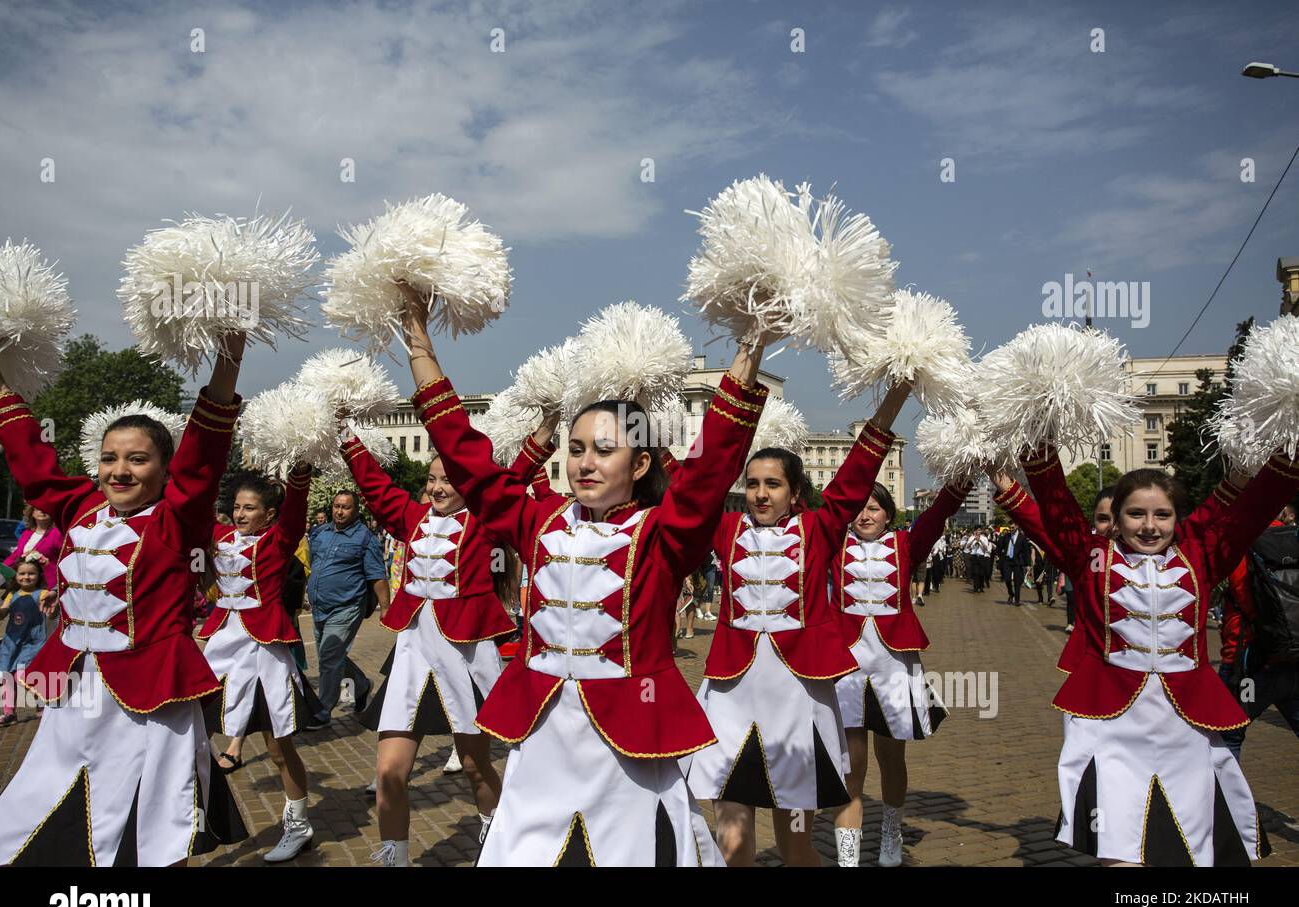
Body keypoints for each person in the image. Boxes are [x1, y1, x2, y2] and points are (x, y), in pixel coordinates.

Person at [403, 283, 770, 866]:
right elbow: (468, 458)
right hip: (541, 735)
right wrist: (419, 341)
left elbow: (707, 471)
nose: (585, 463)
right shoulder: (536, 518)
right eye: (576, 450)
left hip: (631, 738)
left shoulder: (662, 533)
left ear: (641, 462)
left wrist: (751, 345)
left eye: (603, 450)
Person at [0, 333, 249, 865]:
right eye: (110, 458)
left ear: (163, 468)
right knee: (38, 804)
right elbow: (32, 461)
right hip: (76, 691)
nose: (120, 471)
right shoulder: (79, 507)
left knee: (158, 821)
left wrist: (228, 352)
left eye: (137, 460)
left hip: (151, 696)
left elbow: (204, 459)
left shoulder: (175, 520)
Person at [1023, 442, 1299, 866]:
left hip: (1186, 721)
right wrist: (1037, 434)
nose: (1149, 526)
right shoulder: (1092, 556)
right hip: (1109, 720)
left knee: (1193, 844)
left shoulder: (1201, 556)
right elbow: (1053, 500)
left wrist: (1287, 446)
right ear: (1115, 520)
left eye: (1162, 515)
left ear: (1177, 519)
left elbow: (1255, 509)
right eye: (1136, 514)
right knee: (1118, 847)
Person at [685, 382, 911, 867]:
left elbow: (856, 474)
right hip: (732, 695)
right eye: (752, 484)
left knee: (794, 845)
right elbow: (689, 484)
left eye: (773, 484)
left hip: (798, 701)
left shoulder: (819, 528)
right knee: (734, 843)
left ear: (795, 492)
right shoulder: (724, 530)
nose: (761, 494)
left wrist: (892, 400)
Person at [346, 419, 558, 866]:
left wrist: (543, 432)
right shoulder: (411, 517)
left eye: (449, 479)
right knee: (388, 772)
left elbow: (513, 477)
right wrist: (345, 434)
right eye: (432, 479)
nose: (438, 488)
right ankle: (394, 859)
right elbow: (374, 485)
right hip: (411, 655)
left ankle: (494, 829)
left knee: (477, 768)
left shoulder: (483, 521)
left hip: (464, 656)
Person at [830, 480, 971, 866]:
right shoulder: (834, 545)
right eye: (859, 508)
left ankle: (891, 831)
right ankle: (848, 853)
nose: (865, 515)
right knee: (851, 764)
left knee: (892, 758)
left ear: (888, 514)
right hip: (846, 666)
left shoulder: (906, 544)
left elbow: (938, 513)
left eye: (874, 508)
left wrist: (963, 476)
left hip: (894, 664)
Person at [200, 468, 320, 862]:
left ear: (269, 514)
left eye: (249, 508)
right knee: (187, 731)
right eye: (236, 507)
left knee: (279, 747)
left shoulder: (279, 540)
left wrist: (299, 474)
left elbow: (296, 513)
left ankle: (298, 825)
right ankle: (190, 816)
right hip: (221, 648)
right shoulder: (220, 539)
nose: (239, 514)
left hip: (265, 651)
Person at [1218, 499, 1299, 758]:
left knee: (1228, 734)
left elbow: (1241, 598)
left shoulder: (1238, 545)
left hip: (1247, 661)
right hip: (1292, 654)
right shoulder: (1294, 538)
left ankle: (1228, 799)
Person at [305, 490, 390, 729]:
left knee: (329, 656)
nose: (339, 511)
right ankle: (361, 686)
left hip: (347, 607)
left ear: (356, 510)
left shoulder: (365, 539)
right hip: (320, 607)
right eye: (336, 506)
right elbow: (314, 565)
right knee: (329, 655)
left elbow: (377, 576)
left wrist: (386, 608)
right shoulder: (321, 533)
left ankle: (322, 711)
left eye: (345, 507)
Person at [0, 558, 48, 726]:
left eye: (31, 573)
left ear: (39, 576)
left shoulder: (41, 594)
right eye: (22, 573)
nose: (26, 577)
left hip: (32, 642)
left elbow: (51, 610)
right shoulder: (12, 595)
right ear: (16, 576)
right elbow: (3, 613)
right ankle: (9, 712)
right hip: (11, 643)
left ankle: (42, 704)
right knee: (7, 676)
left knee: (25, 676)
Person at [3, 506, 62, 593]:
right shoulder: (26, 533)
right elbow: (16, 554)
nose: (42, 511)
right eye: (38, 508)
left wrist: (46, 563)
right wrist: (2, 569)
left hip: (46, 585)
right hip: (24, 584)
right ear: (32, 513)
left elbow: (65, 561)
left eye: (46, 508)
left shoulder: (58, 533)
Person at [1001, 526, 1031, 605]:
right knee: (1007, 579)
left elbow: (1026, 551)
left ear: (1017, 526)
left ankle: (1017, 600)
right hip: (1007, 560)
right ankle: (1011, 594)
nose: (1011, 529)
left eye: (1013, 527)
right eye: (1010, 527)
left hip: (1017, 561)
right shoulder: (1006, 536)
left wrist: (1028, 564)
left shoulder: (1022, 537)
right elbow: (1000, 546)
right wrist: (1001, 555)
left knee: (1017, 581)